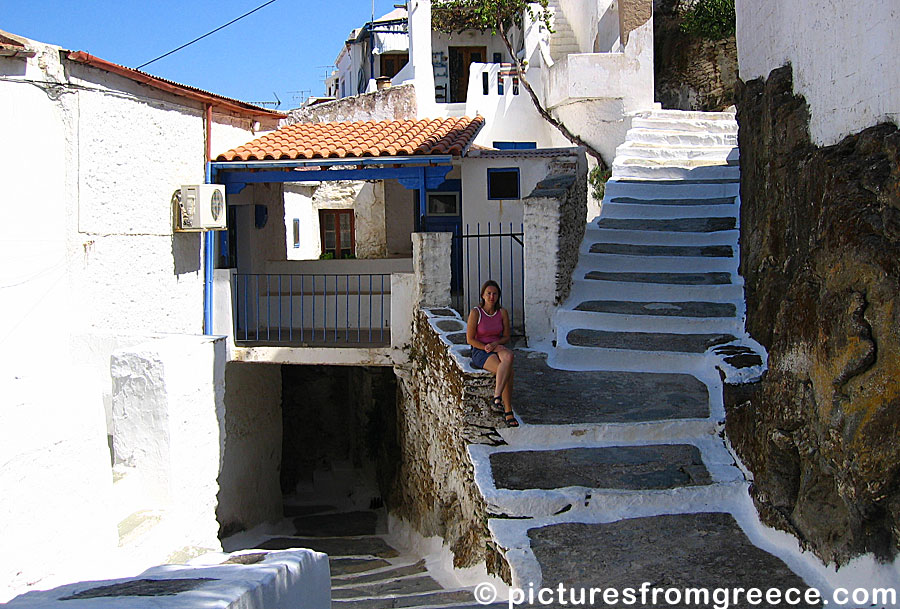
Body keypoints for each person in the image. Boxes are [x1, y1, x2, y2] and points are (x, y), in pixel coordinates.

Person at [466, 280, 517, 427]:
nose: (491, 297)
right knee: (509, 371)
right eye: (488, 293)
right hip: (480, 350)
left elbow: (506, 336)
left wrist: (496, 344)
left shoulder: (502, 313)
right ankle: (508, 411)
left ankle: (496, 397)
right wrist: (487, 347)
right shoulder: (476, 313)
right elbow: (470, 339)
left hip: (497, 346)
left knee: (509, 356)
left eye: (494, 294)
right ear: (483, 295)